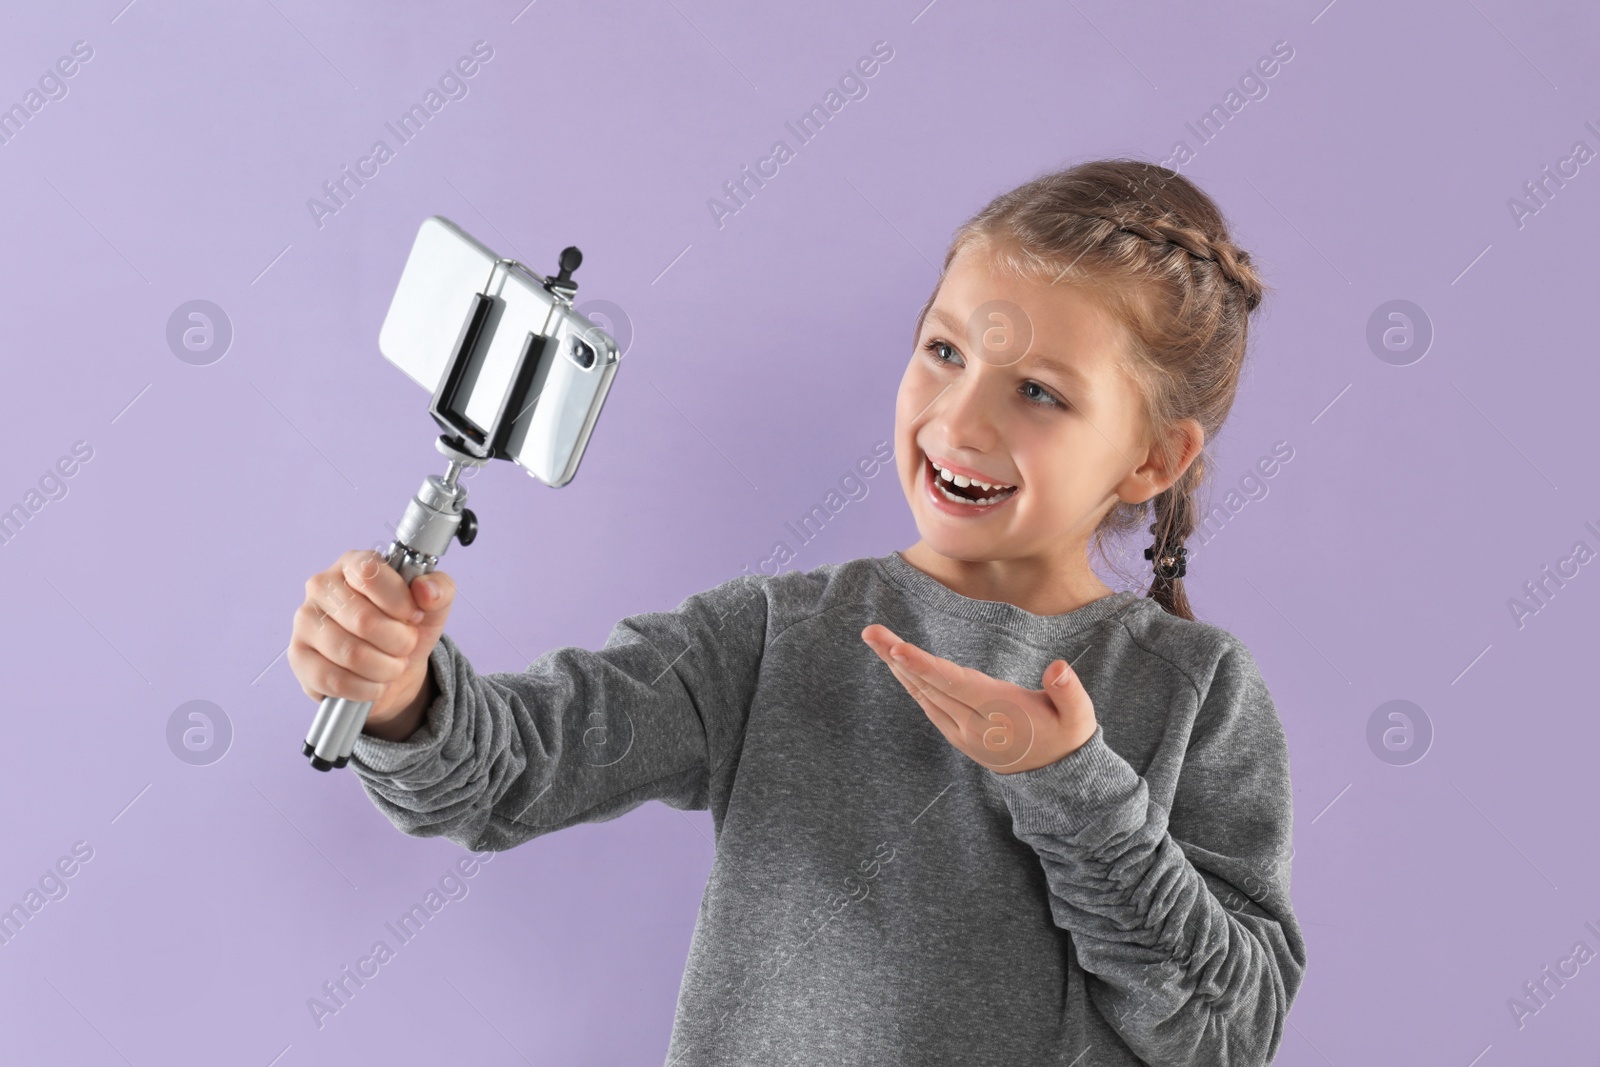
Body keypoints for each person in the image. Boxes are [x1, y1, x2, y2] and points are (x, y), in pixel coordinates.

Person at [287, 157, 1306, 1067]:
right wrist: (402, 694)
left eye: (1038, 391)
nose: (959, 418)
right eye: (944, 352)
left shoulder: (1195, 692)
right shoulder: (775, 638)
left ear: (1151, 459)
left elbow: (1224, 1032)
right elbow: (504, 772)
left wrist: (1070, 786)